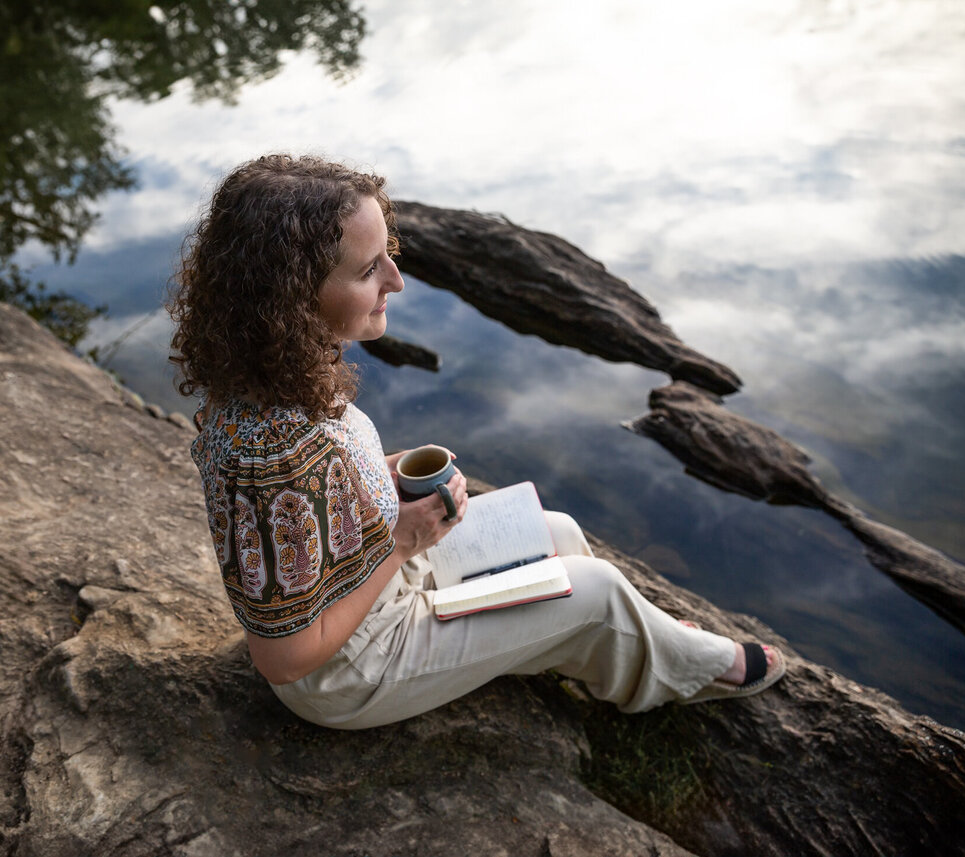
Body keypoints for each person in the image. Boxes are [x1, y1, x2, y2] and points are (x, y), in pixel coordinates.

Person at [167, 153, 785, 730]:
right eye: (367, 269)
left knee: (557, 532)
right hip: (349, 668)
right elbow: (287, 659)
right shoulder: (266, 454)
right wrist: (404, 538)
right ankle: (679, 659)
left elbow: (314, 499)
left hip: (369, 587)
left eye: (389, 254)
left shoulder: (273, 381)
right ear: (292, 299)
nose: (396, 280)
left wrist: (387, 472)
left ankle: (632, 637)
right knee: (594, 592)